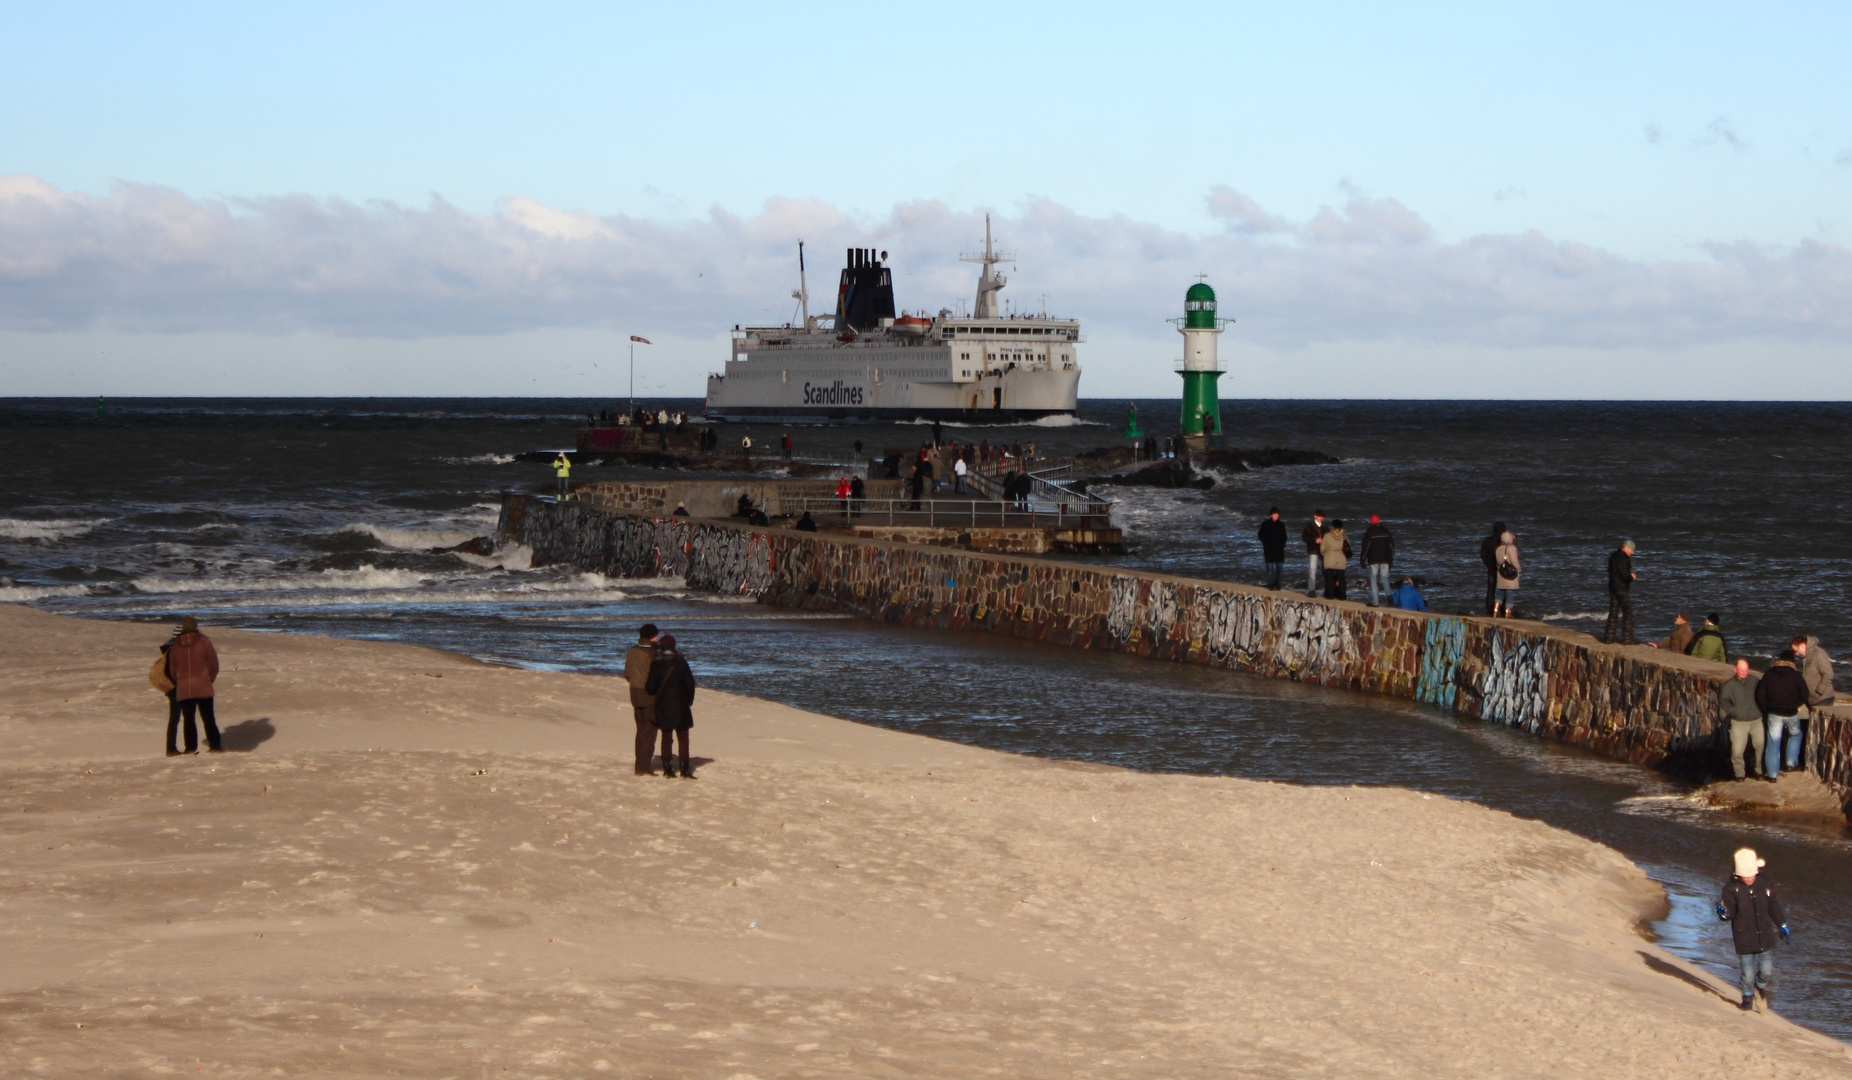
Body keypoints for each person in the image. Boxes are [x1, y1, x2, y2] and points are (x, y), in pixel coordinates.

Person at [1716, 847, 1788, 1012]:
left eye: (1752, 876)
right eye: (1746, 877)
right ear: (1738, 875)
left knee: (1767, 970)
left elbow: (1773, 907)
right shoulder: (1730, 889)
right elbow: (1730, 913)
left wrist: (1782, 924)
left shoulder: (1764, 884)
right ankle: (1747, 997)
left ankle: (1759, 987)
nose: (1749, 879)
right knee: (1747, 972)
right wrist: (1723, 914)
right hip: (1744, 937)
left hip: (1765, 935)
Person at [166, 617, 222, 754]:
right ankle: (215, 745)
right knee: (208, 717)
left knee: (189, 719)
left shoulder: (175, 647)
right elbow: (214, 664)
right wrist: (209, 679)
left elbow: (173, 670)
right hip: (203, 684)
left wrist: (180, 680)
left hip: (185, 687)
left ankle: (190, 748)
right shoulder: (204, 643)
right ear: (196, 627)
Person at [646, 634, 697, 779]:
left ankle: (668, 770)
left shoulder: (656, 663)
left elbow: (650, 687)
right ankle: (685, 770)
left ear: (661, 647)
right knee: (683, 739)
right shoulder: (681, 662)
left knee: (666, 738)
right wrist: (688, 701)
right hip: (681, 705)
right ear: (674, 646)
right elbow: (690, 684)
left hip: (663, 705)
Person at [1755, 644, 1810, 779]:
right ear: (1792, 661)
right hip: (1791, 712)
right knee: (1795, 734)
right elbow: (1805, 694)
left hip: (1774, 713)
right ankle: (1791, 763)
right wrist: (1795, 705)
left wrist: (1766, 709)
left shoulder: (1769, 675)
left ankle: (1773, 775)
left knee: (1773, 742)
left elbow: (1760, 695)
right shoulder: (1795, 675)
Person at [1719, 658, 1766, 781]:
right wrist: (1734, 712)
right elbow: (1724, 702)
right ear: (1735, 670)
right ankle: (1739, 774)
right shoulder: (1728, 686)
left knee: (1760, 746)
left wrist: (1761, 709)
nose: (1744, 672)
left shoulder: (1755, 681)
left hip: (1756, 719)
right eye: (1741, 670)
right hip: (1739, 722)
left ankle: (1758, 770)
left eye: (1746, 670)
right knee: (1737, 750)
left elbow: (1763, 694)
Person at [623, 624, 660, 775]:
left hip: (635, 693)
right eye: (657, 635)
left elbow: (627, 673)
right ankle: (643, 767)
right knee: (649, 733)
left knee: (641, 731)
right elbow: (656, 677)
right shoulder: (652, 653)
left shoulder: (632, 651)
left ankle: (641, 765)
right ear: (652, 636)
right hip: (648, 695)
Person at [1603, 539, 1637, 644]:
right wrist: (1632, 577)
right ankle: (1627, 639)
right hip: (1621, 588)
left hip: (1612, 587)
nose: (1633, 552)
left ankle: (1608, 638)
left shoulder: (1613, 557)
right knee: (1628, 613)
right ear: (1625, 547)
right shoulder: (1624, 559)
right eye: (1631, 550)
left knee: (1613, 613)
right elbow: (1625, 575)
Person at [1361, 515, 1396, 606]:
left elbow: (1365, 548)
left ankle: (1375, 602)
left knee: (1373, 579)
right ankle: (1389, 595)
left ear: (1371, 522)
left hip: (1373, 559)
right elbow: (1392, 547)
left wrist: (1362, 560)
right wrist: (1391, 560)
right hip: (1385, 559)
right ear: (1379, 522)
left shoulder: (1369, 532)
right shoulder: (1386, 531)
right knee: (1384, 578)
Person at [1798, 636, 1836, 709]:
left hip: (1823, 698)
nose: (1796, 653)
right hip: (1811, 699)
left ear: (1802, 646)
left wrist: (1819, 690)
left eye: (1796, 650)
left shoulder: (1818, 654)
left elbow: (1828, 674)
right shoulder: (1806, 657)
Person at [1478, 521, 1507, 616]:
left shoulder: (1488, 541)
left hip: (1491, 569)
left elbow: (1483, 554)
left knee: (1491, 590)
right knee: (1503, 591)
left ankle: (1490, 611)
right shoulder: (1504, 542)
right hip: (1503, 570)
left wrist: (1488, 564)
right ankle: (1503, 611)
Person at [1256, 508, 1288, 590]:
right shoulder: (1265, 524)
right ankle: (1271, 584)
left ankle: (1277, 584)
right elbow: (1260, 535)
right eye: (1275, 514)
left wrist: (1282, 545)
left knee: (1279, 568)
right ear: (1271, 515)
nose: (1276, 516)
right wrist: (1265, 543)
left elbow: (1284, 537)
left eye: (1277, 514)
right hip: (1269, 549)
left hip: (1279, 550)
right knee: (1270, 568)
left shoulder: (1281, 525)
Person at [1320, 518, 1351, 600]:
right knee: (1341, 578)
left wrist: (1325, 554)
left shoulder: (1327, 535)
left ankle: (1330, 594)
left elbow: (1322, 549)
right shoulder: (1343, 535)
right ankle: (1342, 595)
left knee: (1329, 577)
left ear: (1333, 526)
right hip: (1341, 559)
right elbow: (1348, 546)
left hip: (1329, 558)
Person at [1493, 530, 1520, 618]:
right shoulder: (1510, 548)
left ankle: (1495, 611)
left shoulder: (1498, 549)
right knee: (1509, 592)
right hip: (1509, 574)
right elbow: (1514, 561)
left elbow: (1498, 562)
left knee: (1500, 592)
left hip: (1501, 573)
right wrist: (1518, 569)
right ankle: (1508, 612)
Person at [1301, 511, 1327, 596]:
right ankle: (1311, 590)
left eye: (1322, 517)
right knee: (1312, 571)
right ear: (1315, 516)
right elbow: (1304, 538)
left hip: (1323, 552)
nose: (1321, 518)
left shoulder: (1325, 527)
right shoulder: (1309, 526)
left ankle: (1327, 590)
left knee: (1325, 571)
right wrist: (1315, 540)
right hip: (1313, 551)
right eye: (1319, 516)